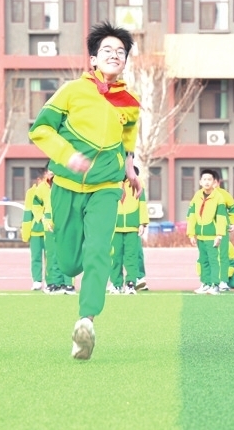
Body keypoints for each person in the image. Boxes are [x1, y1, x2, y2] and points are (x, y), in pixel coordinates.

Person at [29, 21, 141, 360]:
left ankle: (86, 322)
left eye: (120, 52)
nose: (114, 55)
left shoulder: (129, 102)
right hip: (65, 185)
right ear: (93, 59)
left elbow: (127, 140)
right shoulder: (71, 91)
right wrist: (67, 156)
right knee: (67, 261)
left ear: (125, 61)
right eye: (107, 50)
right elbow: (40, 130)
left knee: (98, 250)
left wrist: (129, 168)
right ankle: (76, 280)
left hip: (106, 187)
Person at [35, 163, 76, 295]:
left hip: (65, 223)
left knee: (67, 254)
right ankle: (54, 284)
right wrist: (42, 218)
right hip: (49, 225)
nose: (52, 173)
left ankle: (68, 284)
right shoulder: (42, 188)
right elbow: (36, 204)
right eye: (50, 170)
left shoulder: (68, 185)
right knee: (52, 255)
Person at [186, 169, 228, 295]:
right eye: (204, 179)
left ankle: (215, 285)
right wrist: (191, 234)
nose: (207, 182)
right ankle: (206, 284)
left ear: (214, 182)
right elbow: (191, 215)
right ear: (200, 182)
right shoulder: (196, 196)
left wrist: (219, 235)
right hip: (200, 236)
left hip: (212, 236)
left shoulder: (218, 197)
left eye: (209, 179)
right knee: (203, 260)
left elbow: (221, 217)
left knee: (213, 261)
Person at [110, 166, 149, 294]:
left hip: (132, 227)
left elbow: (142, 202)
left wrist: (142, 223)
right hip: (115, 227)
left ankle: (130, 283)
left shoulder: (137, 181)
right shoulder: (111, 181)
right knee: (115, 257)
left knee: (131, 257)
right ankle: (116, 284)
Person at [21, 169, 48, 291]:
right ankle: (37, 281)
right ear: (39, 180)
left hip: (48, 230)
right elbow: (27, 213)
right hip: (35, 231)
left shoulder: (50, 190)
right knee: (36, 257)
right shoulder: (31, 193)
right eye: (45, 180)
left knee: (50, 258)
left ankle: (50, 281)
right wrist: (25, 233)